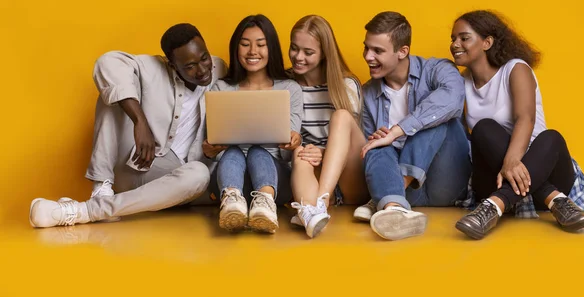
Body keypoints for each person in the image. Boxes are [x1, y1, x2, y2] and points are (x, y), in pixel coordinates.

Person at [29, 23, 227, 228]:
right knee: (113, 95)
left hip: (175, 179)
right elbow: (107, 62)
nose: (203, 70)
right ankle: (102, 188)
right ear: (172, 64)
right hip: (132, 163)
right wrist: (139, 121)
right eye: (190, 66)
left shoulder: (219, 69)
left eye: (204, 57)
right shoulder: (151, 67)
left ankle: (88, 210)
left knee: (199, 173)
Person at [451, 10, 584, 239]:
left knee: (552, 138)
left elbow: (525, 118)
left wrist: (512, 160)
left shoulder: (515, 69)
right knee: (484, 129)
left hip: (542, 165)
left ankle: (494, 206)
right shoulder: (460, 82)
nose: (455, 44)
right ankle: (554, 199)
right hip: (494, 177)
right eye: (453, 39)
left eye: (463, 38)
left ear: (487, 42)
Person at [357, 11, 471, 241]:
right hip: (409, 197)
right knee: (375, 146)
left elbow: (452, 99)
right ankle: (393, 208)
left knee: (438, 119)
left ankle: (390, 191)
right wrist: (378, 139)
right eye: (366, 48)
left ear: (402, 51)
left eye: (378, 51)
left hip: (446, 179)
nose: (368, 56)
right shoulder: (369, 92)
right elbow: (369, 149)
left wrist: (397, 131)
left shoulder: (438, 69)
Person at [205, 14, 303, 234]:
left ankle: (265, 203)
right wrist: (209, 150)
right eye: (245, 44)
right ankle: (231, 202)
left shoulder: (290, 89)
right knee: (234, 152)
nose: (252, 52)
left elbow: (288, 155)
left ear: (272, 48)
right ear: (235, 48)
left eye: (261, 44)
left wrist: (293, 142)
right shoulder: (221, 88)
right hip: (226, 181)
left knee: (259, 151)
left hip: (277, 182)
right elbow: (212, 148)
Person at [286, 15, 368, 238]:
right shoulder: (285, 84)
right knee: (299, 151)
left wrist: (323, 151)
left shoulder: (346, 85)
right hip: (312, 171)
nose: (298, 57)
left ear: (324, 54)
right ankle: (311, 213)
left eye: (308, 52)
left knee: (341, 116)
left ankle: (319, 202)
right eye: (294, 48)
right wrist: (304, 149)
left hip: (349, 176)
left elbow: (350, 142)